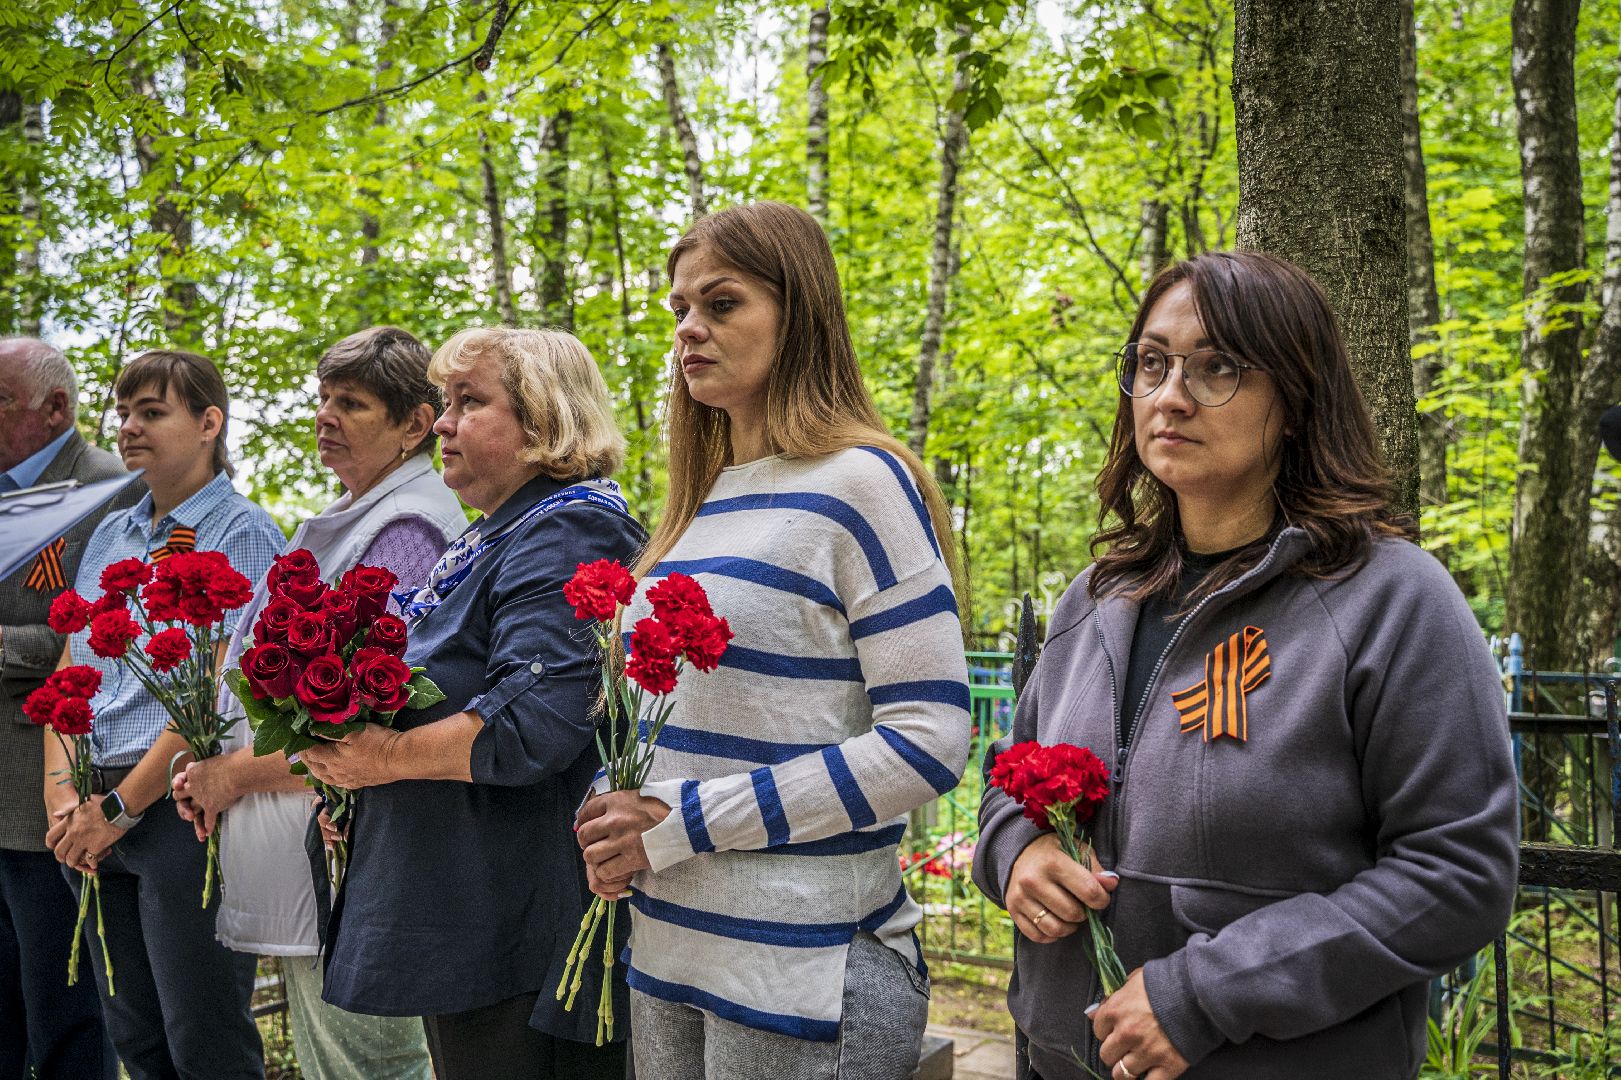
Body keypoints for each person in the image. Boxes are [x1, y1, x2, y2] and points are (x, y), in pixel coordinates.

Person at [972, 252, 1519, 1080]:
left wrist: (1205, 995)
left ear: (1296, 399)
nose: (1170, 394)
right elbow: (1006, 780)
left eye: (1217, 366)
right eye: (1150, 364)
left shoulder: (1391, 598)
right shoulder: (1095, 596)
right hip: (1063, 1059)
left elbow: (1458, 873)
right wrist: (1015, 850)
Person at [574, 201, 972, 1079]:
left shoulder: (861, 483)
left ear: (798, 314)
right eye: (679, 309)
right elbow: (680, 716)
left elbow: (932, 737)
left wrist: (676, 823)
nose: (689, 331)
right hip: (666, 951)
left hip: (802, 972)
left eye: (722, 305)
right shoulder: (699, 503)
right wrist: (614, 810)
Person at [299, 327, 645, 1080]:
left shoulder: (572, 527)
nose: (443, 422)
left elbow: (532, 723)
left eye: (467, 402)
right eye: (443, 401)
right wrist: (353, 785)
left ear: (544, 419)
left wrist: (382, 760)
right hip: (471, 918)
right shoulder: (496, 535)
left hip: (520, 927)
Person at [171, 327, 463, 1080]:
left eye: (351, 403)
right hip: (309, 850)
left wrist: (231, 776)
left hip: (350, 856)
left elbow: (364, 726)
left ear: (414, 425)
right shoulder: (353, 515)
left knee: (368, 1063)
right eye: (323, 399)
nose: (325, 417)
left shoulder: (409, 531)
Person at [44, 349, 285, 1080]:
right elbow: (68, 677)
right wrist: (63, 800)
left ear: (209, 423)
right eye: (123, 413)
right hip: (89, 808)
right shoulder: (110, 536)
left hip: (179, 806)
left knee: (204, 1040)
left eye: (152, 412)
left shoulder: (242, 534)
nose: (128, 429)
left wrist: (120, 807)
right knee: (137, 1042)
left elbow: (216, 697)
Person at [0, 338, 136, 1080]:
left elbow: (103, 634)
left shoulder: (111, 491)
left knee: (66, 1011)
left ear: (55, 409)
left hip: (47, 794)